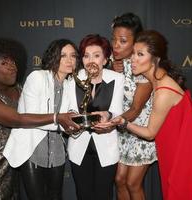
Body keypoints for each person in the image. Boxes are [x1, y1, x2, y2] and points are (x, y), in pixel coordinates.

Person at [0, 37, 78, 200]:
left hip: (10, 156)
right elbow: (17, 119)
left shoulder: (18, 89)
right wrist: (58, 118)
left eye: (13, 62)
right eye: (4, 63)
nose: (12, 67)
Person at [100, 30, 192, 200]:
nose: (133, 59)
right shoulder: (156, 79)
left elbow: (149, 133)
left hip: (186, 148)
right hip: (175, 143)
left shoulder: (163, 91)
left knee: (180, 193)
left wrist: (122, 122)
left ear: (156, 59)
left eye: (140, 54)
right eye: (133, 53)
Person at [3, 39, 80, 200]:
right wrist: (60, 120)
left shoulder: (70, 84)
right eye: (63, 55)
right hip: (32, 149)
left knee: (55, 196)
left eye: (73, 56)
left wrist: (76, 124)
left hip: (57, 151)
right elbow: (29, 117)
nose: (69, 60)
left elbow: (71, 114)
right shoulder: (37, 77)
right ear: (53, 57)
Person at [67, 34, 124, 200]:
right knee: (83, 194)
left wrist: (108, 115)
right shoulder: (73, 79)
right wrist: (74, 118)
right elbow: (69, 109)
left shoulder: (117, 79)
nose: (90, 60)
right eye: (86, 55)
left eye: (96, 55)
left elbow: (117, 111)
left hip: (106, 146)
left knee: (103, 194)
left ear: (105, 59)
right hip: (79, 146)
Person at [111, 12, 157, 200]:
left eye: (122, 41)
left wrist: (112, 122)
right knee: (119, 180)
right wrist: (114, 63)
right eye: (113, 39)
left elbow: (136, 109)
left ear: (136, 42)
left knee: (132, 183)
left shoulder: (143, 67)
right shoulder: (114, 63)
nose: (115, 45)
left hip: (142, 132)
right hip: (123, 132)